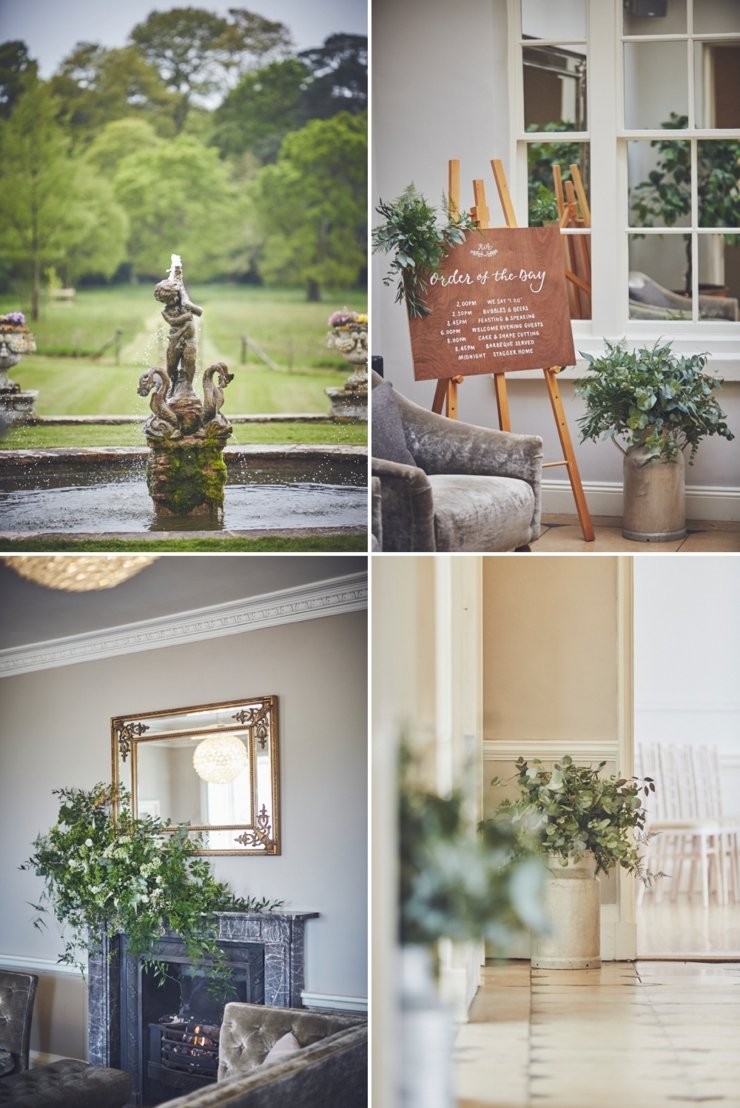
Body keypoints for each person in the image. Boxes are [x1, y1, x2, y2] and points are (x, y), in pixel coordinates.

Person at [153, 278, 203, 397]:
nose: (172, 301)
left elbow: (199, 312)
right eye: (167, 301)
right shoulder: (165, 311)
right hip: (174, 341)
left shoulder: (184, 303)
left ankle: (188, 388)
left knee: (190, 363)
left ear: (176, 294)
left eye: (173, 298)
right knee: (171, 366)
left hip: (189, 340)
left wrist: (187, 302)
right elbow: (172, 321)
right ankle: (171, 387)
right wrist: (187, 316)